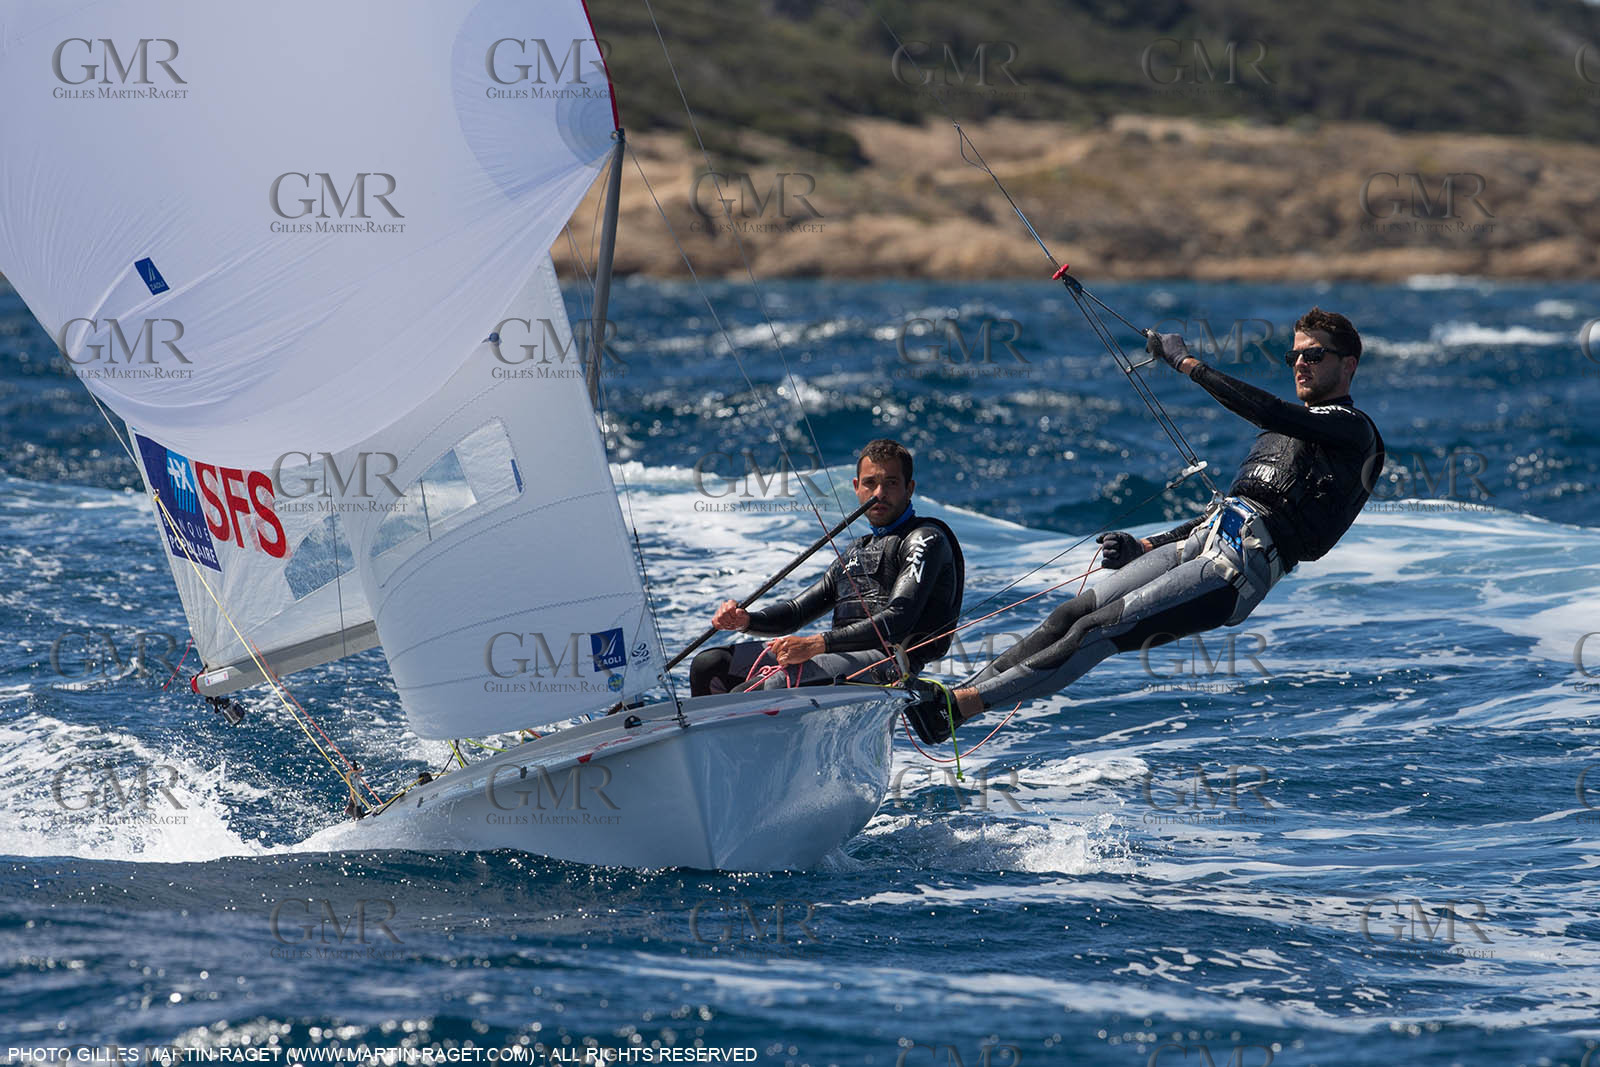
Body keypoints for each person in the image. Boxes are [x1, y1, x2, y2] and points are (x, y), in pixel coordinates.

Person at [903, 307, 1384, 743]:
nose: (1301, 364)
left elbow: (1266, 410)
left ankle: (958, 709)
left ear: (1348, 365)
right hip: (1203, 540)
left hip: (1238, 571)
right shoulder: (1289, 430)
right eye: (1294, 356)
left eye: (1315, 355)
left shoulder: (1354, 429)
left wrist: (1187, 364)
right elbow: (1234, 506)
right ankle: (952, 696)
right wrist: (1148, 543)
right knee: (1070, 614)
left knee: (1096, 630)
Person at [689, 439, 964, 712]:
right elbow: (797, 612)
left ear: (909, 488)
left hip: (887, 664)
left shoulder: (924, 538)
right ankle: (701, 753)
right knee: (709, 665)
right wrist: (745, 620)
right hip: (837, 656)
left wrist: (816, 644)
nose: (879, 493)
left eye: (891, 483)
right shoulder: (855, 551)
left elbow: (899, 617)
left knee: (759, 689)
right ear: (856, 488)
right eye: (870, 483)